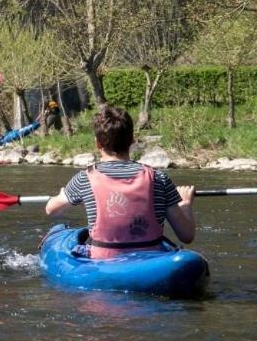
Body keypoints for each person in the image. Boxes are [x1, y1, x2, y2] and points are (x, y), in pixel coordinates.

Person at [44, 105, 195, 259]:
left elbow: (51, 210)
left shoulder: (84, 178)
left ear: (97, 143)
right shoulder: (159, 178)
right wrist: (185, 205)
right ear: (132, 140)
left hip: (104, 261)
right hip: (150, 257)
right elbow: (186, 235)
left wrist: (62, 194)